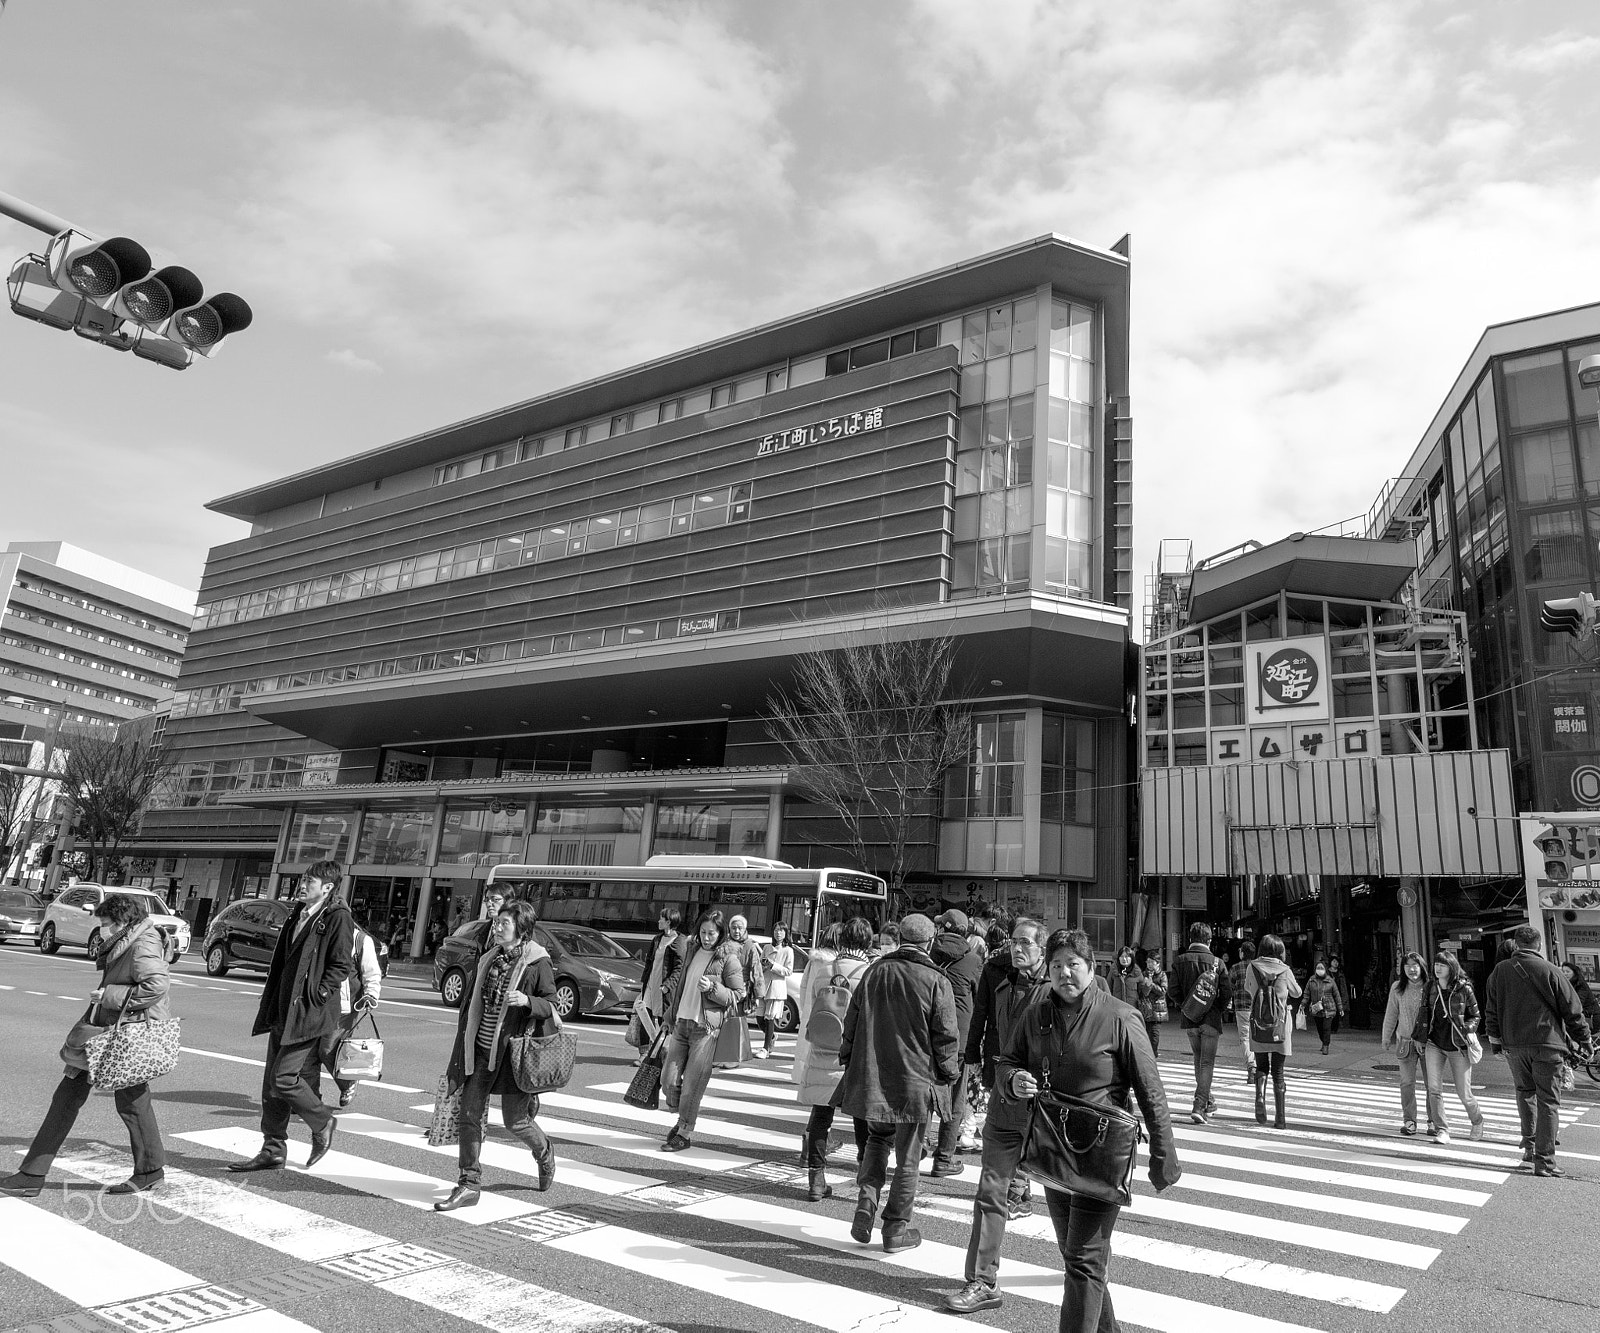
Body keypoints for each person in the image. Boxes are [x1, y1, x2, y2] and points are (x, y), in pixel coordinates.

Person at [988, 928, 1181, 1331]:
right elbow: (1007, 1060)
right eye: (1056, 965)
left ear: (1091, 968)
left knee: (1083, 1258)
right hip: (1052, 1147)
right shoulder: (1037, 1012)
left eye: (1072, 965)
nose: (1064, 974)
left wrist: (1164, 1152)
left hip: (1100, 1153)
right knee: (1078, 1258)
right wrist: (1013, 1079)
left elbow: (1151, 1090)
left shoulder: (1120, 1016)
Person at [2, 893, 171, 1197]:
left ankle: (33, 1175)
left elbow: (156, 986)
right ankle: (32, 1174)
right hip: (106, 1031)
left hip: (121, 1035)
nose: (103, 930)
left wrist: (108, 996)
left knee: (123, 1101)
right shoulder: (128, 939)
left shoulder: (142, 943)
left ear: (124, 921)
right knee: (85, 1097)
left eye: (107, 924)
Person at [943, 917, 1051, 1314]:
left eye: (1025, 943)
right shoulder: (998, 974)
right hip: (1005, 1098)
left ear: (1043, 949)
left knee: (1068, 1199)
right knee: (990, 1191)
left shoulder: (1059, 985)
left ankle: (1086, 1267)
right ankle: (982, 1281)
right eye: (1013, 941)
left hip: (1050, 1107)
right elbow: (981, 1017)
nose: (1016, 948)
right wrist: (974, 1060)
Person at [834, 913, 958, 1254]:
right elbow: (946, 1036)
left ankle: (866, 1199)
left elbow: (852, 1020)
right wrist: (948, 1074)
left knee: (876, 1140)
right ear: (929, 942)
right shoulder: (935, 979)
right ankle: (895, 1228)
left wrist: (848, 1056)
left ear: (899, 937)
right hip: (917, 1079)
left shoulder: (874, 971)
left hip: (873, 1074)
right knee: (909, 1156)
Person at [227, 860, 354, 1173]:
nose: (303, 883)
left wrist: (319, 994)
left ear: (327, 887)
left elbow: (340, 965)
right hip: (283, 1008)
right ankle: (272, 1149)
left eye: (309, 880)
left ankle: (323, 1121)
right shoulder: (298, 912)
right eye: (303, 878)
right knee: (271, 1085)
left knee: (284, 1079)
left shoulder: (337, 917)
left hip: (309, 1012)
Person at [435, 899, 559, 1210]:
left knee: (515, 1121)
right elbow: (470, 1010)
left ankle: (544, 1151)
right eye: (498, 921)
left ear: (522, 929)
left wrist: (527, 1001)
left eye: (506, 922)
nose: (498, 926)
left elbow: (552, 1006)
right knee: (469, 1116)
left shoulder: (537, 962)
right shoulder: (489, 958)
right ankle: (469, 1183)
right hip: (479, 1052)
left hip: (512, 1055)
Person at [1485, 925, 1592, 1177]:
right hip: (1546, 1044)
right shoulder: (1551, 970)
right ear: (1539, 945)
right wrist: (1584, 1040)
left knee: (1525, 1093)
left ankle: (1529, 1147)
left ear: (1516, 943)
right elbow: (1572, 1010)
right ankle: (1545, 1161)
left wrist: (1496, 1042)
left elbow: (1491, 1010)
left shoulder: (1499, 972)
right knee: (1548, 1101)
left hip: (1514, 1046)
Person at [792, 916, 875, 1201]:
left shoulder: (824, 969)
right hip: (855, 1055)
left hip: (823, 1048)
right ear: (867, 941)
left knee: (820, 1116)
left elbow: (814, 1001)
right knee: (862, 1119)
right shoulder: (869, 972)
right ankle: (865, 1177)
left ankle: (816, 1180)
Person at [659, 910, 746, 1152]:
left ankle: (685, 1131)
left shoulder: (729, 959)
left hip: (706, 1029)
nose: (707, 938)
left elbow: (738, 995)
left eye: (712, 933)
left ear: (721, 935)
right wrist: (669, 1016)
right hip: (681, 1023)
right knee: (668, 1081)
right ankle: (683, 1116)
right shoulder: (692, 951)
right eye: (703, 932)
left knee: (692, 1086)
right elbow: (682, 987)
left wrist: (713, 988)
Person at [929, 908, 985, 1176]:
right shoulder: (973, 960)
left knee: (925, 1094)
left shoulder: (927, 954)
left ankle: (915, 1149)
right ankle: (943, 1159)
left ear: (942, 928)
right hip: (959, 1038)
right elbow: (981, 998)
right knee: (955, 1098)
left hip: (926, 1034)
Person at [1412, 951, 1485, 1145]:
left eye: (1442, 965)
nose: (1437, 968)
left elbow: (1476, 1016)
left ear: (1451, 968)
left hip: (1458, 1046)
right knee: (1434, 1089)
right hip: (1434, 1043)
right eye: (1436, 964)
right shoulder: (1430, 987)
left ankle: (1477, 1121)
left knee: (1464, 1093)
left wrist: (1466, 1029)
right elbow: (1423, 1013)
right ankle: (1442, 1129)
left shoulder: (1464, 989)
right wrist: (1419, 1037)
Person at [1169, 922, 1231, 1124]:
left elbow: (1172, 991)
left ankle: (1209, 1101)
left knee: (1198, 1059)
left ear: (1190, 939)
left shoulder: (1179, 961)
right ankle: (1199, 1105)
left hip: (1190, 1020)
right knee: (1207, 1062)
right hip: (1211, 1021)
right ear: (1209, 940)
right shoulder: (1217, 963)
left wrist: (1187, 1006)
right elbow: (1227, 993)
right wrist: (1216, 1009)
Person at [321, 915, 383, 1109]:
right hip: (317, 1002)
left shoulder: (360, 940)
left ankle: (347, 1083)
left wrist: (371, 996)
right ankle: (309, 1098)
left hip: (345, 1006)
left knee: (327, 1049)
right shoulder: (322, 936)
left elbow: (372, 973)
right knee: (308, 1053)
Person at [1245, 934, 1301, 1129]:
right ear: (1279, 951)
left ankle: (1260, 1094)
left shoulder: (1252, 967)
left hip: (1259, 1025)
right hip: (1280, 1026)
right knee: (1278, 1071)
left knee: (1261, 1065)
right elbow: (1297, 993)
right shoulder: (1284, 970)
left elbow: (1248, 989)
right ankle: (1280, 1119)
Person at [1381, 952, 1429, 1135]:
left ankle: (1433, 1121)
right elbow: (1391, 1014)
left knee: (1431, 1085)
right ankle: (1410, 1121)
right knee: (1407, 1083)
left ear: (1422, 966)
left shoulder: (1430, 986)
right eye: (1407, 965)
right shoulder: (1397, 987)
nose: (1411, 969)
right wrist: (1386, 1037)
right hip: (1405, 1042)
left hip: (1428, 1044)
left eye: (1415, 965)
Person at [716, 913, 764, 1067]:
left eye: (740, 928)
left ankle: (733, 1058)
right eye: (733, 928)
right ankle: (718, 1057)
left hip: (741, 991)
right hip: (723, 989)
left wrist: (758, 994)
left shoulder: (750, 945)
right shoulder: (724, 944)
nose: (737, 931)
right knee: (720, 1024)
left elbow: (756, 969)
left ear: (745, 929)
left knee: (735, 1025)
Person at [637, 907, 688, 1052]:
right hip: (651, 985)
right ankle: (644, 1052)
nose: (659, 921)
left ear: (669, 922)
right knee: (644, 1017)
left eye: (662, 918)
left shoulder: (680, 941)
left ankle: (663, 1052)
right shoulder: (657, 939)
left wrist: (668, 985)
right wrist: (644, 982)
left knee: (664, 1020)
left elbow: (680, 968)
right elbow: (649, 962)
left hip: (665, 988)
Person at [755, 921, 795, 1059]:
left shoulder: (788, 950)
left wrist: (773, 965)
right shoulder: (767, 947)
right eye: (776, 930)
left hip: (777, 987)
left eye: (781, 931)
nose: (778, 933)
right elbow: (759, 964)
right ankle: (771, 1036)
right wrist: (764, 965)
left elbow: (788, 971)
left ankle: (765, 1049)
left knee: (770, 1017)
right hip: (764, 985)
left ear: (785, 934)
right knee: (759, 1018)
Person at [1228, 941, 1257, 1082]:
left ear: (1242, 953)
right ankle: (1259, 1065)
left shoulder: (1235, 968)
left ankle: (1251, 1066)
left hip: (1241, 1007)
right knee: (1257, 1037)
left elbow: (1229, 987)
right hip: (1258, 1007)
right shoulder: (1259, 968)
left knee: (1245, 1037)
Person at [1303, 960, 1344, 1055]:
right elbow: (1306, 994)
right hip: (1316, 1009)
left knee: (1326, 1028)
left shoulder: (1330, 980)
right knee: (1320, 1028)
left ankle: (1326, 1045)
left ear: (1325, 969)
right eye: (1318, 968)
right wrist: (1303, 1004)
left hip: (1329, 1008)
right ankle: (1323, 1041)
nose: (1320, 970)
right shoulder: (1311, 980)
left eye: (1322, 968)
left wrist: (1340, 1008)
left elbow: (1337, 995)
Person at [1138, 949, 1169, 1053]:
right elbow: (1142, 992)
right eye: (1148, 962)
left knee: (1155, 1035)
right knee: (1145, 1033)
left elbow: (1163, 991)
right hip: (1146, 1008)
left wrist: (1152, 985)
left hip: (1157, 1009)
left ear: (1158, 963)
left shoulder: (1162, 975)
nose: (1150, 964)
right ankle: (1147, 1054)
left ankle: (1153, 1054)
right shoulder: (1143, 974)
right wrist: (1146, 985)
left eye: (1152, 962)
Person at [1560, 960, 1600, 1033]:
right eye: (1563, 971)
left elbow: (1578, 1003)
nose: (1565, 974)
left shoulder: (1581, 985)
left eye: (1568, 972)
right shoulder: (1567, 984)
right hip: (1580, 1017)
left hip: (1590, 1018)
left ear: (1574, 973)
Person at [1327, 956, 1351, 1034]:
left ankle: (1334, 1028)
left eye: (1337, 962)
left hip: (1338, 994)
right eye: (1334, 961)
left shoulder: (1340, 973)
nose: (1335, 963)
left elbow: (1343, 985)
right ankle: (1329, 1027)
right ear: (1330, 962)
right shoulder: (1327, 973)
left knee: (1337, 1011)